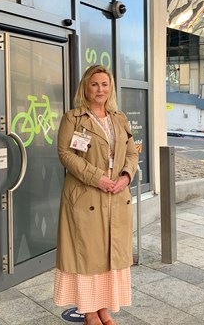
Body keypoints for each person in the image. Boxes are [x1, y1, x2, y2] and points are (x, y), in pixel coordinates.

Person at [54, 65, 139, 325]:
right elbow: (65, 154)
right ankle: (90, 311)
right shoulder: (74, 118)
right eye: (94, 84)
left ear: (110, 88)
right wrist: (97, 178)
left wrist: (125, 176)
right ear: (85, 88)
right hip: (87, 196)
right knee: (89, 255)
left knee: (109, 254)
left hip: (116, 196)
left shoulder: (119, 118)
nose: (100, 89)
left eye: (105, 84)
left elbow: (132, 152)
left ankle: (103, 308)